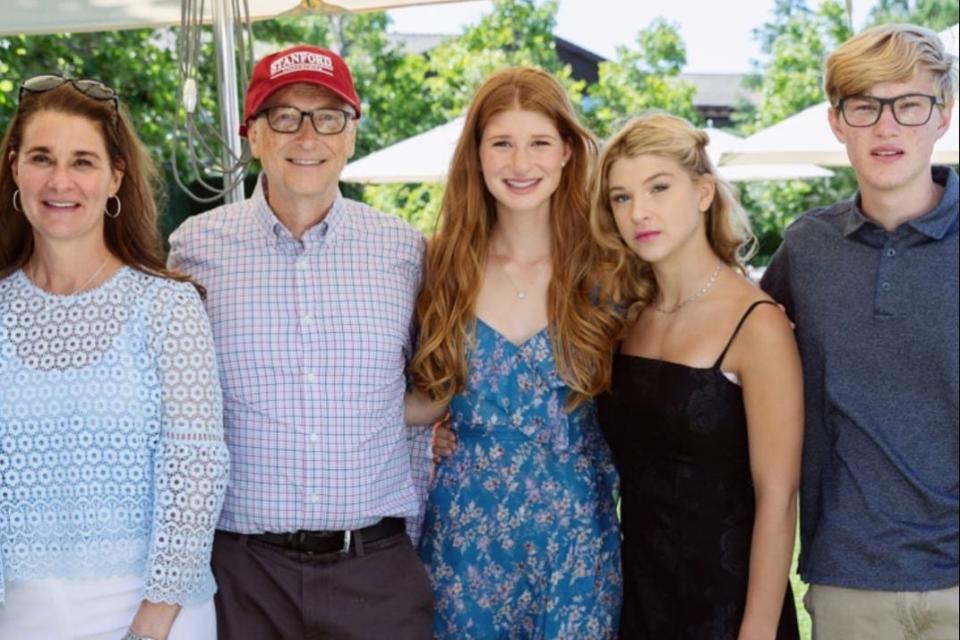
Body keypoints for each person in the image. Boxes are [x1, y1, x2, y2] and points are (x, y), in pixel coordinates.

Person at [167, 45, 432, 638]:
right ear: (253, 136)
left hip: (377, 574)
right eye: (284, 116)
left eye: (328, 116)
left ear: (351, 136)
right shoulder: (193, 249)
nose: (307, 135)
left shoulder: (405, 252)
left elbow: (429, 391)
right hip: (242, 575)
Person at [0, 76, 229, 640]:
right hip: (22, 613)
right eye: (41, 158)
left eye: (83, 161)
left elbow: (196, 468)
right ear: (14, 170)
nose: (60, 181)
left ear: (114, 177)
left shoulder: (166, 306)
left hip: (155, 613)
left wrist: (152, 623)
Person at [408, 66, 622, 639]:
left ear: (568, 154)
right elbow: (415, 399)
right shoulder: (440, 266)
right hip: (464, 547)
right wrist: (424, 435)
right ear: (476, 155)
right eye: (501, 143)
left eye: (539, 144)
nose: (520, 164)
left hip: (576, 545)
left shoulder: (611, 273)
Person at [760, 23, 958, 639]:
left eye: (910, 104)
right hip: (848, 580)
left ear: (942, 116)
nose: (887, 126)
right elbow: (729, 358)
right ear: (837, 122)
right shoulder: (805, 248)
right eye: (865, 106)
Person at [590, 112, 803, 639]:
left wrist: (755, 632)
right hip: (637, 600)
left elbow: (778, 497)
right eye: (621, 197)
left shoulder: (758, 325)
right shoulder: (625, 318)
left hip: (728, 609)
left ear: (704, 192)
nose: (640, 211)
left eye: (658, 188)